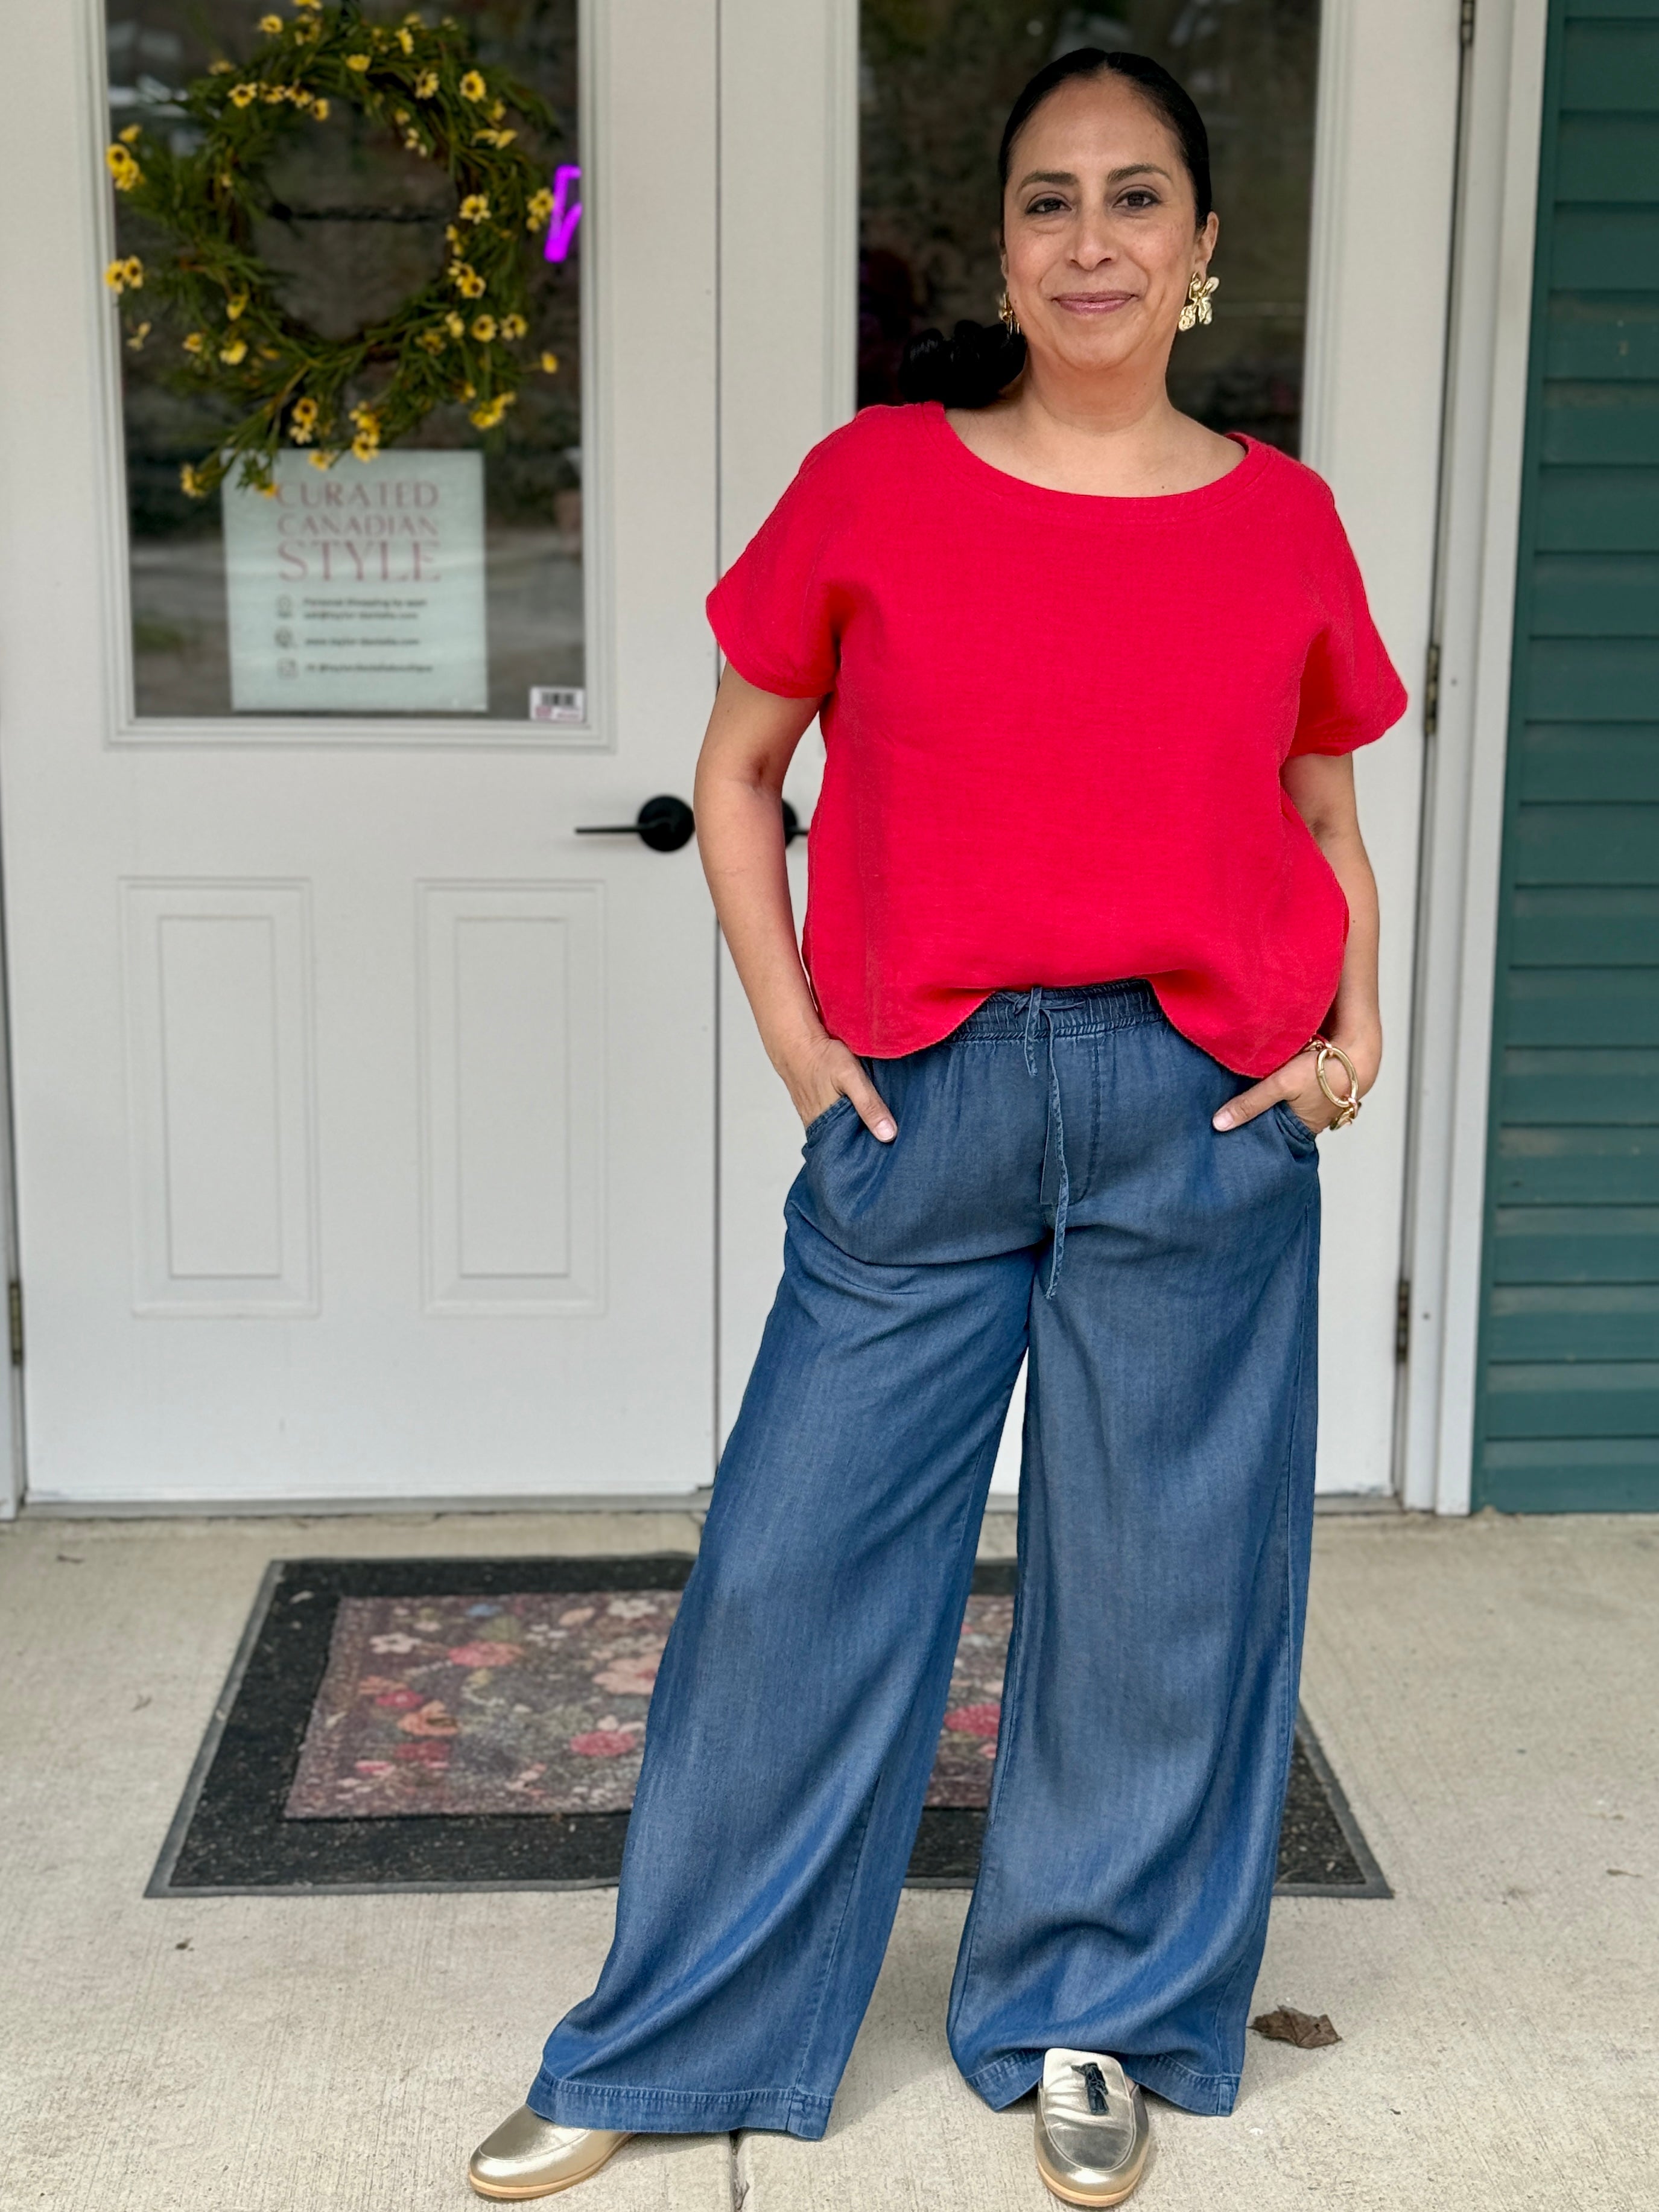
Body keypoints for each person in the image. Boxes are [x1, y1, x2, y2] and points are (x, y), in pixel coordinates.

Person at [469, 45, 1403, 2207]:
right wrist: (804, 1051)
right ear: (1001, 245)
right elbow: (736, 775)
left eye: (1137, 197)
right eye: (1051, 200)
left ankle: (1095, 2008)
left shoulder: (1282, 519)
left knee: (1163, 1589)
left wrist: (1357, 1039)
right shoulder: (877, 482)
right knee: (791, 1570)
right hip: (931, 1098)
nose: (1093, 240)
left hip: (1197, 1109)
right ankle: (681, 2030)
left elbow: (1327, 813)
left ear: (1203, 245)